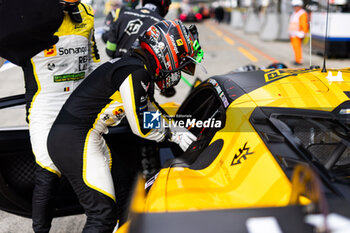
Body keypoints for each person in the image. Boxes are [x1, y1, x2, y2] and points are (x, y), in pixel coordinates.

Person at [47, 20, 203, 232]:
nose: (181, 72)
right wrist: (173, 135)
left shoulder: (136, 66)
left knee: (124, 194)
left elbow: (151, 110)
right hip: (76, 139)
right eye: (182, 62)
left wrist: (176, 129)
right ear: (168, 53)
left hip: (82, 136)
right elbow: (141, 125)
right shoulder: (135, 71)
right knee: (101, 217)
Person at [21, 0, 100, 232]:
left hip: (80, 101)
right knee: (47, 171)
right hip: (44, 104)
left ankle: (102, 223)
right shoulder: (27, 14)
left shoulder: (86, 12)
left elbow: (94, 60)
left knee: (93, 164)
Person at [105, 0, 171, 58]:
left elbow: (110, 50)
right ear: (165, 4)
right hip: (141, 70)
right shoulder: (162, 25)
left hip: (117, 68)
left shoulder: (123, 15)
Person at [288, 0, 309, 66]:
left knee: (297, 47)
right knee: (295, 47)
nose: (295, 7)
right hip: (293, 33)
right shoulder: (295, 13)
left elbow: (304, 23)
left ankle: (299, 60)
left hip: (298, 33)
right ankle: (297, 59)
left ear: (300, 6)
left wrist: (304, 32)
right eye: (294, 6)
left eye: (296, 6)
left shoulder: (302, 13)